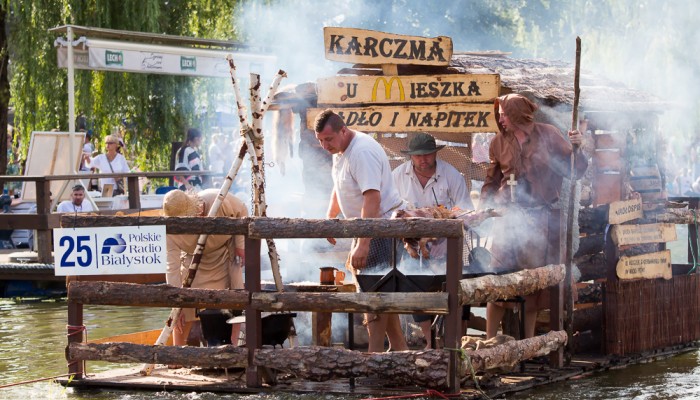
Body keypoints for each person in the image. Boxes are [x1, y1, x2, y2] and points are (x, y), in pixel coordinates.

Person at [481, 93, 588, 339]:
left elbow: (573, 170)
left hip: (539, 220)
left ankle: (527, 344)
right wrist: (481, 211)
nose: (501, 119)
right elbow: (492, 179)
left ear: (518, 114)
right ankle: (488, 343)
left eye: (504, 114)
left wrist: (578, 148)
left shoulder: (548, 135)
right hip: (507, 221)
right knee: (497, 281)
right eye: (499, 114)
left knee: (532, 286)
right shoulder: (498, 142)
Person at [314, 109, 408, 353]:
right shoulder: (340, 150)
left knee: (373, 296)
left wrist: (363, 243)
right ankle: (400, 349)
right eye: (320, 141)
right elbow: (339, 185)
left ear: (343, 131)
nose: (325, 146)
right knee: (381, 294)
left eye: (329, 140)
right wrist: (330, 216)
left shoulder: (362, 151)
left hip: (380, 227)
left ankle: (373, 356)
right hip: (366, 227)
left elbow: (372, 198)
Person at [392, 132, 473, 348]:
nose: (423, 159)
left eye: (427, 154)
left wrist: (446, 231)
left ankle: (456, 341)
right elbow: (390, 210)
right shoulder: (398, 176)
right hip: (410, 245)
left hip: (447, 244)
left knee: (456, 289)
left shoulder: (451, 175)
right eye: (418, 156)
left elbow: (465, 209)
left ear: (435, 153)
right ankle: (430, 341)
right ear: (411, 156)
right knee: (413, 287)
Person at [162, 189, 248, 349]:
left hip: (224, 253)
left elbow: (241, 211)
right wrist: (175, 304)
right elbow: (172, 267)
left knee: (237, 296)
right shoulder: (171, 230)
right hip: (193, 259)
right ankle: (177, 352)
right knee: (182, 302)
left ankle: (236, 344)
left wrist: (240, 245)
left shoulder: (217, 199)